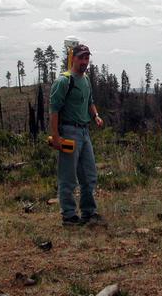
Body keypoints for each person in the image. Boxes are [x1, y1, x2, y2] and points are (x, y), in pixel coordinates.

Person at [49, 44, 104, 226]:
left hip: (84, 131)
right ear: (73, 58)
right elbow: (54, 110)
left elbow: (90, 101)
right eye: (81, 58)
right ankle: (69, 215)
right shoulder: (64, 81)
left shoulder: (86, 80)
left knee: (89, 174)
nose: (84, 62)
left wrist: (95, 115)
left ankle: (89, 212)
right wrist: (56, 137)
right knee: (68, 176)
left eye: (87, 58)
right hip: (69, 131)